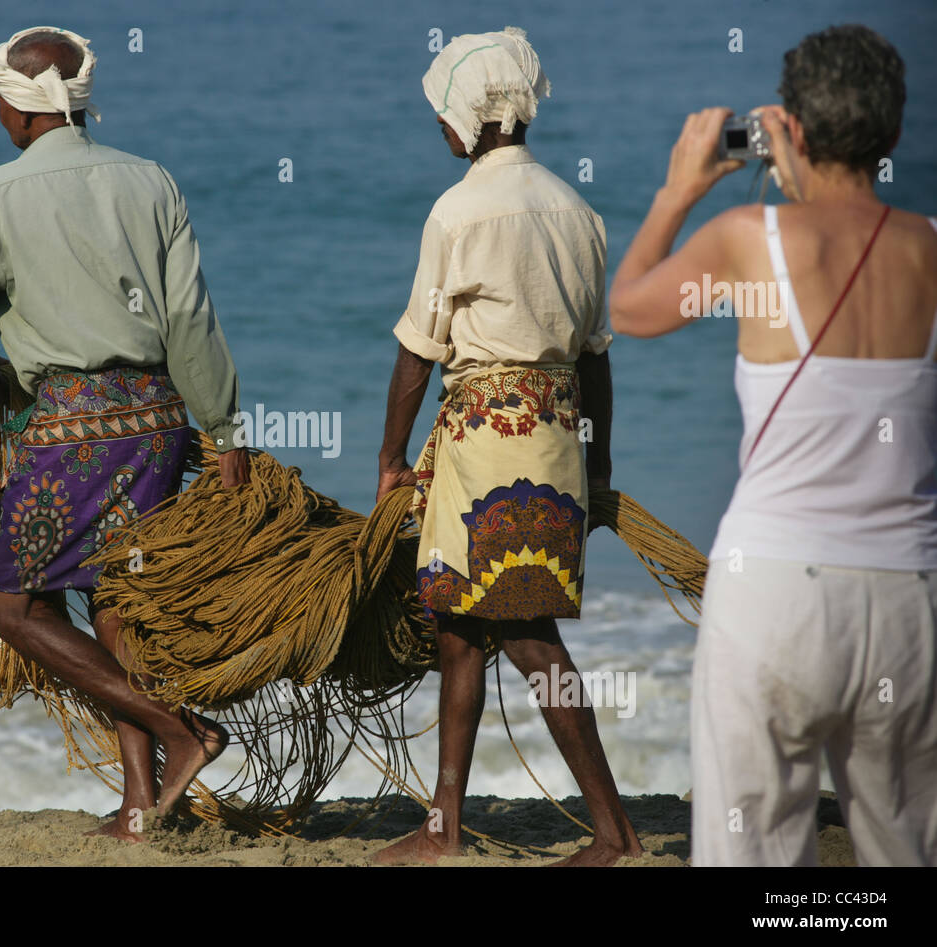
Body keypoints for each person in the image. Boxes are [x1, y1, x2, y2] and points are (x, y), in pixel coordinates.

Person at [610, 25, 937, 865]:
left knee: (752, 849)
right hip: (908, 593)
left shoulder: (751, 239)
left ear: (788, 130)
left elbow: (630, 309)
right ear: (893, 135)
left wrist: (679, 192)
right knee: (906, 845)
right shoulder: (929, 249)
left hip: (775, 595)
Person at [0, 27, 246, 841]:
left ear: (16, 108)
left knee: (16, 605)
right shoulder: (150, 181)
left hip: (71, 433)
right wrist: (227, 429)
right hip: (160, 423)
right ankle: (141, 800)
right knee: (115, 602)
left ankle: (184, 734)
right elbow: (189, 322)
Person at [375, 29, 642, 865]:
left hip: (486, 448)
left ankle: (614, 832)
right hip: (558, 438)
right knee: (460, 624)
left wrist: (390, 459)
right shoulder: (577, 211)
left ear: (475, 117)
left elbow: (419, 350)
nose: (438, 128)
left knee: (527, 635)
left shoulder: (458, 211)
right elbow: (595, 358)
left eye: (443, 114)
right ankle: (443, 827)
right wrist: (596, 467)